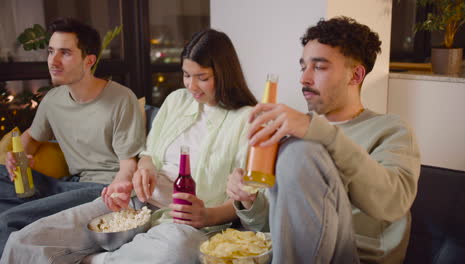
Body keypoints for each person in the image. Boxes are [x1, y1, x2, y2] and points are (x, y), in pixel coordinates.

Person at [1, 28, 258, 264]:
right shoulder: (177, 100)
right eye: (186, 75)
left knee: (175, 250)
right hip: (133, 206)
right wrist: (142, 170)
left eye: (202, 77)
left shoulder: (247, 119)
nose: (190, 86)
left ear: (224, 74)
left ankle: (92, 259)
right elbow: (148, 155)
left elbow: (249, 199)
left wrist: (209, 216)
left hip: (185, 225)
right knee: (25, 240)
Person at [226, 16, 421, 264]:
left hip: (355, 257)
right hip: (289, 254)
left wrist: (317, 132)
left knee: (301, 151)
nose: (304, 78)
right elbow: (279, 226)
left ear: (356, 75)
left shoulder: (391, 130)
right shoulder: (295, 133)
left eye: (318, 67)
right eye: (303, 67)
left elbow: (394, 202)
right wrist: (249, 200)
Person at [0, 18, 145, 254]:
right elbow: (31, 138)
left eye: (65, 53)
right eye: (51, 51)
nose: (53, 61)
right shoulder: (53, 100)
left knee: (9, 219)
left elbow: (129, 164)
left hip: (100, 189)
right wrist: (18, 157)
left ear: (89, 61)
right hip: (66, 186)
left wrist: (117, 192)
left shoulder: (121, 98)